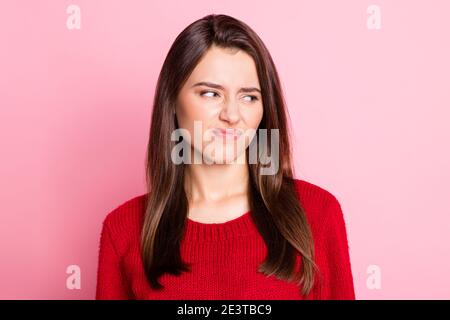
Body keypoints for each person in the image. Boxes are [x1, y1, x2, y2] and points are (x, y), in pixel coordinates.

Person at [95, 13, 355, 300]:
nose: (231, 115)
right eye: (210, 94)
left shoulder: (317, 214)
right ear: (172, 100)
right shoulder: (123, 230)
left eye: (249, 97)